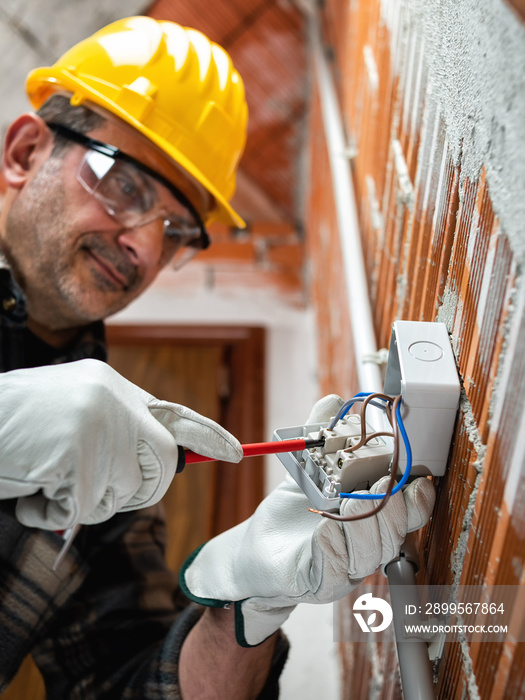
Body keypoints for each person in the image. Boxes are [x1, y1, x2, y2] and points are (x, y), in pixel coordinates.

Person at [0, 15, 435, 699]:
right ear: (25, 153)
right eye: (124, 184)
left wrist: (248, 604)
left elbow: (133, 686)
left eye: (176, 228)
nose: (143, 245)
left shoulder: (112, 470)